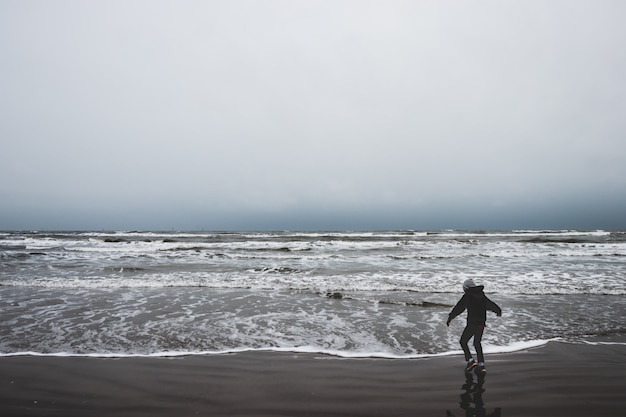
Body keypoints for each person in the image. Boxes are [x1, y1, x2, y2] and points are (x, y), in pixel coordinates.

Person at [446, 279, 502, 373]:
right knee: (477, 343)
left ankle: (470, 361)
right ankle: (481, 365)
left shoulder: (468, 296)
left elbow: (459, 308)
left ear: (466, 288)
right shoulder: (481, 295)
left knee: (463, 342)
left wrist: (450, 317)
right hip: (481, 324)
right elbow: (490, 304)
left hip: (472, 323)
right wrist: (497, 310)